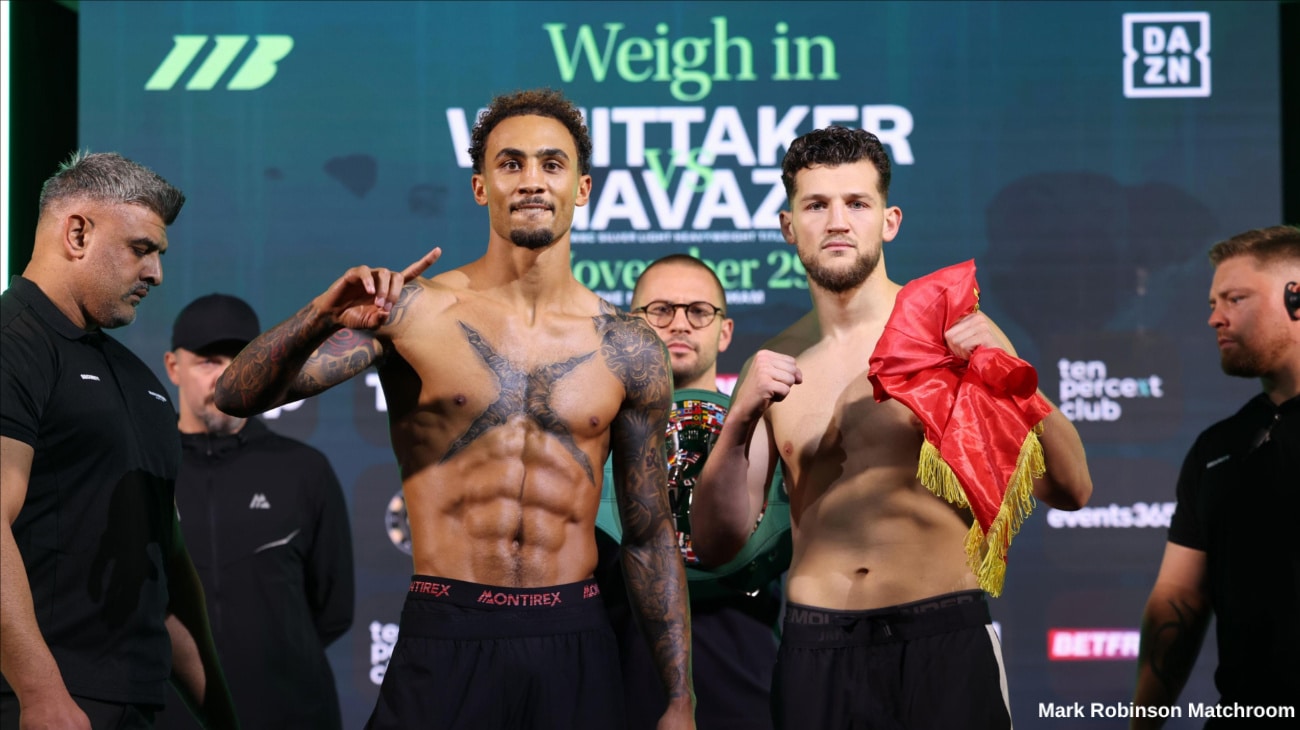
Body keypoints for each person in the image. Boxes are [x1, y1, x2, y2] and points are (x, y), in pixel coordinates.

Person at [213, 88, 693, 730]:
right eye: (510, 163)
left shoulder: (630, 346)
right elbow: (235, 395)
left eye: (551, 164)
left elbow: (650, 533)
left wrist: (679, 699)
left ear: (582, 188)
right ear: (480, 187)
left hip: (575, 634)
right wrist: (321, 315)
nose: (531, 180)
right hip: (449, 629)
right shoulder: (414, 313)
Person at [691, 126, 1094, 729]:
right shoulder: (771, 364)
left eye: (856, 203)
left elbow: (1071, 487)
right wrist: (739, 419)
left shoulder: (951, 336)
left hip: (942, 636)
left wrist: (1013, 376)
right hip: (816, 648)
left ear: (889, 220)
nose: (837, 222)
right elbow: (717, 541)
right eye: (816, 205)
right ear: (788, 226)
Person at [1, 152, 237, 729]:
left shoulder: (139, 382)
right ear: (77, 234)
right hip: (36, 704)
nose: (156, 274)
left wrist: (222, 718)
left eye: (159, 254)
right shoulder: (12, 344)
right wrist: (40, 693)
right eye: (141, 248)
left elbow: (166, 564)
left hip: (134, 702)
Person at [154, 293, 355, 730]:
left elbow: (335, 609)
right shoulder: (146, 472)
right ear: (173, 367)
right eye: (208, 361)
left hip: (290, 715)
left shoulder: (305, 470)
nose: (227, 376)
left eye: (241, 360)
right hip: (170, 717)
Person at [600, 255, 780, 730]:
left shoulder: (772, 430)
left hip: (747, 683)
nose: (679, 323)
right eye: (660, 310)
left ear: (725, 331)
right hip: (622, 685)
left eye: (699, 311)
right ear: (631, 328)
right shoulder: (589, 436)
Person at [1131, 225, 1300, 728]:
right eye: (1213, 302)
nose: (1214, 318)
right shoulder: (1216, 449)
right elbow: (1178, 598)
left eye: (1235, 299)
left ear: (1296, 299)